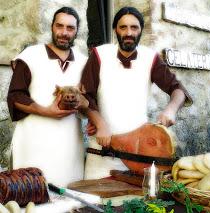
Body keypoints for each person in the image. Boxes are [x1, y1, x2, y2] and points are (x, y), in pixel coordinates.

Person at [81, 6, 192, 179]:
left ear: (141, 30)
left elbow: (178, 90)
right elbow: (85, 96)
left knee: (135, 203)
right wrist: (99, 122)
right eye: (123, 27)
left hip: (140, 155)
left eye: (134, 27)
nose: (129, 33)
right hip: (102, 150)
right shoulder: (99, 54)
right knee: (95, 202)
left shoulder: (151, 58)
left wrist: (171, 109)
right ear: (115, 29)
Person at [7, 7, 88, 187]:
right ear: (52, 27)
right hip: (33, 142)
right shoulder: (30, 55)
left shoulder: (84, 62)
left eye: (70, 28)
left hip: (69, 146)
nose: (64, 32)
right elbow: (15, 95)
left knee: (70, 197)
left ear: (76, 31)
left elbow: (89, 102)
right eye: (59, 26)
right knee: (29, 196)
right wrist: (45, 111)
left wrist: (85, 106)